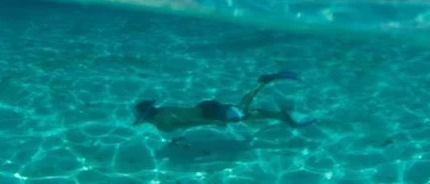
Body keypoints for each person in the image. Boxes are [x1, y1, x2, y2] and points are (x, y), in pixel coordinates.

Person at [133, 72, 316, 134]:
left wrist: (213, 122)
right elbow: (187, 117)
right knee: (242, 112)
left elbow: (191, 122)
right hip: (204, 107)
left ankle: (264, 84)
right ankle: (278, 113)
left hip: (209, 114)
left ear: (146, 117)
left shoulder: (162, 123)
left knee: (242, 112)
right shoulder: (163, 110)